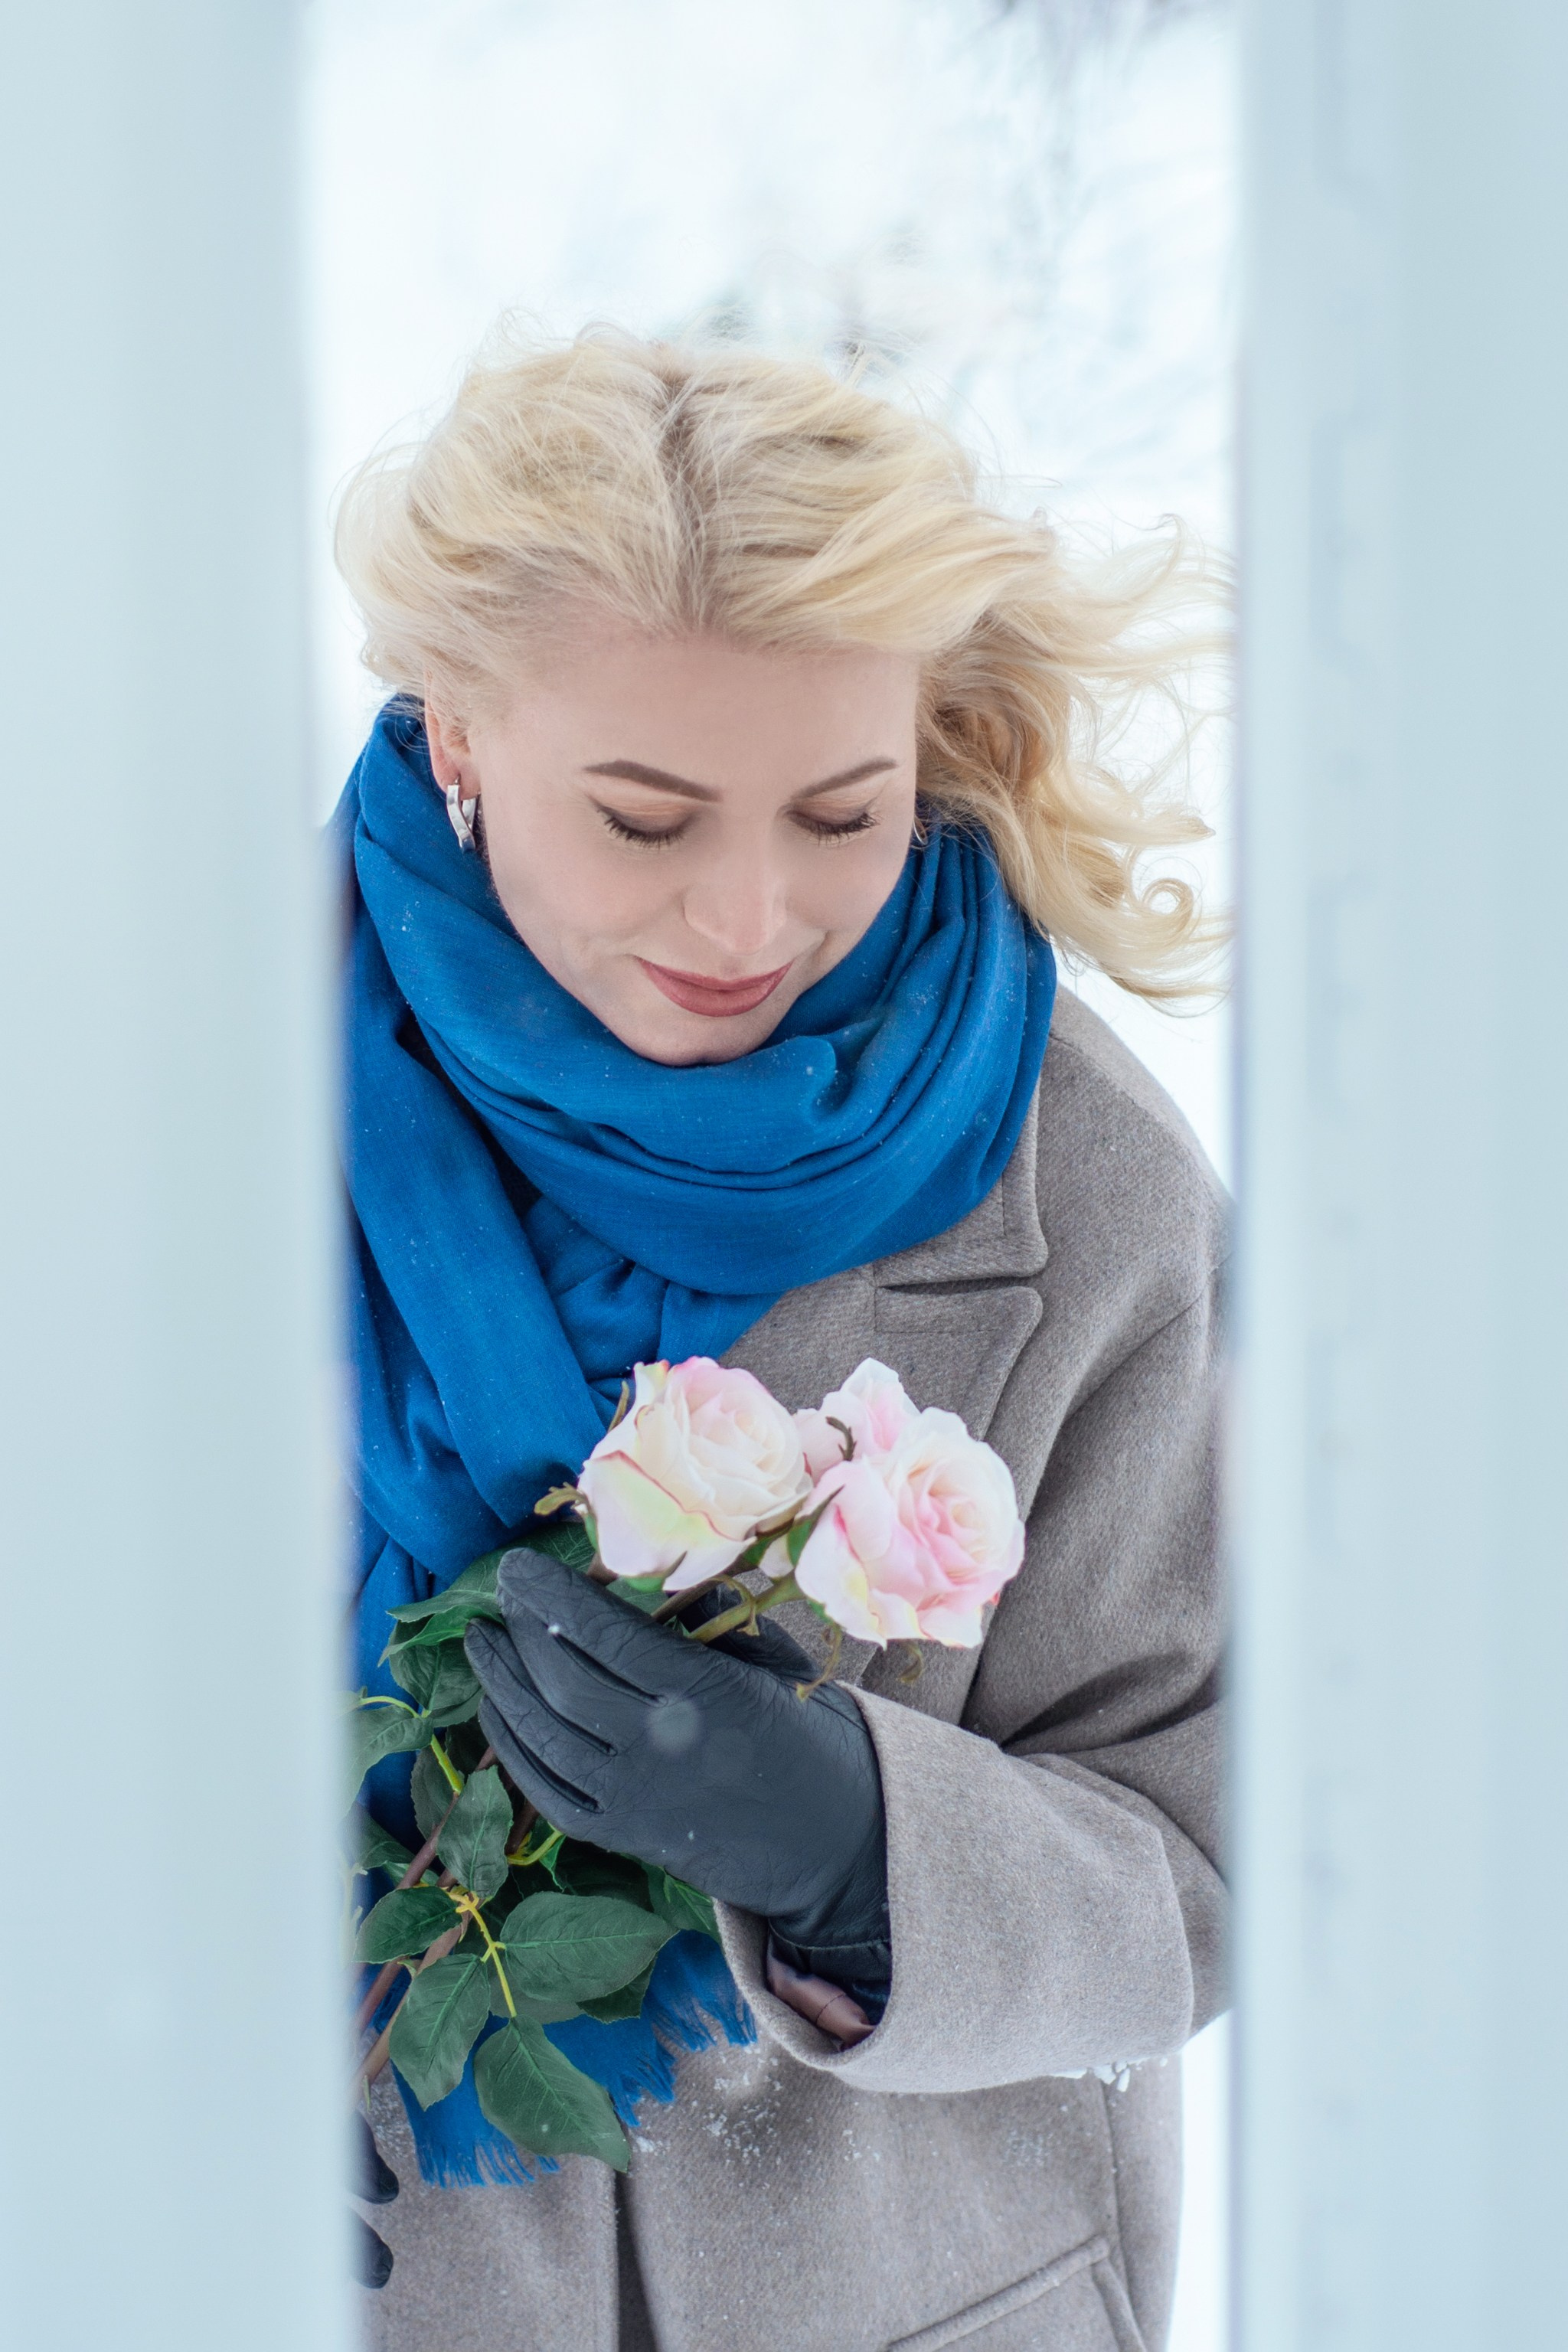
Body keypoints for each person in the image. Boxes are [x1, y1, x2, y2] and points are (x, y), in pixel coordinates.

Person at [338, 327, 1227, 2352]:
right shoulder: (151, 1129)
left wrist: (851, 1847)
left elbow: (1207, 1849)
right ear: (458, 736)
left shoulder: (1086, 1188)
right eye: (646, 820)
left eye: (844, 814)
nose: (751, 916)